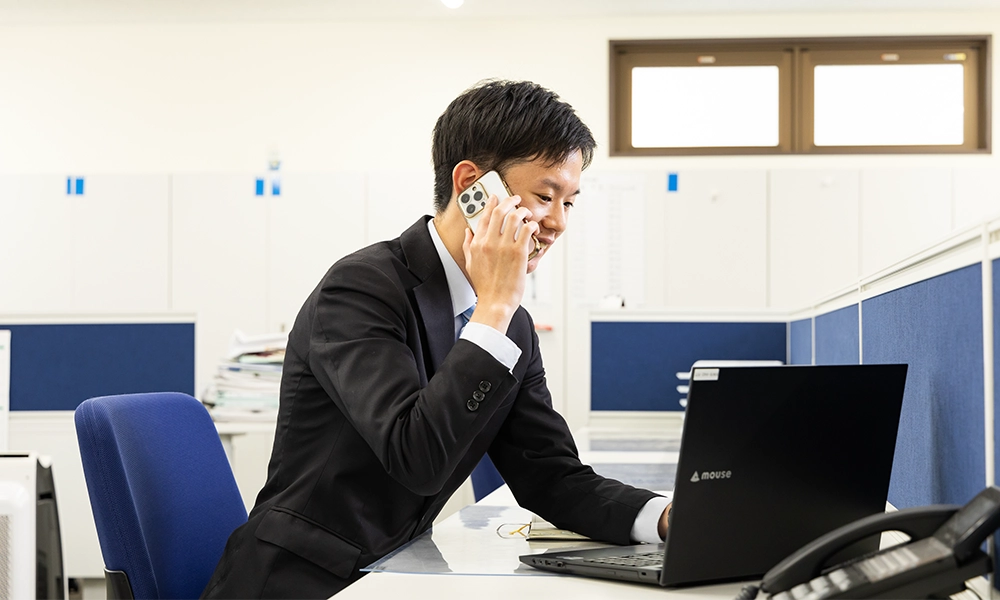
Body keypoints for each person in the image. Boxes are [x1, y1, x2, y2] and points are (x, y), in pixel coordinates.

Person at [200, 79, 671, 600]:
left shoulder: (509, 323)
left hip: (397, 573)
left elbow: (550, 476)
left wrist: (669, 518)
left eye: (570, 203)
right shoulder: (361, 288)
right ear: (473, 184)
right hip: (298, 581)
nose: (558, 222)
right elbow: (416, 457)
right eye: (544, 196)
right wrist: (493, 308)